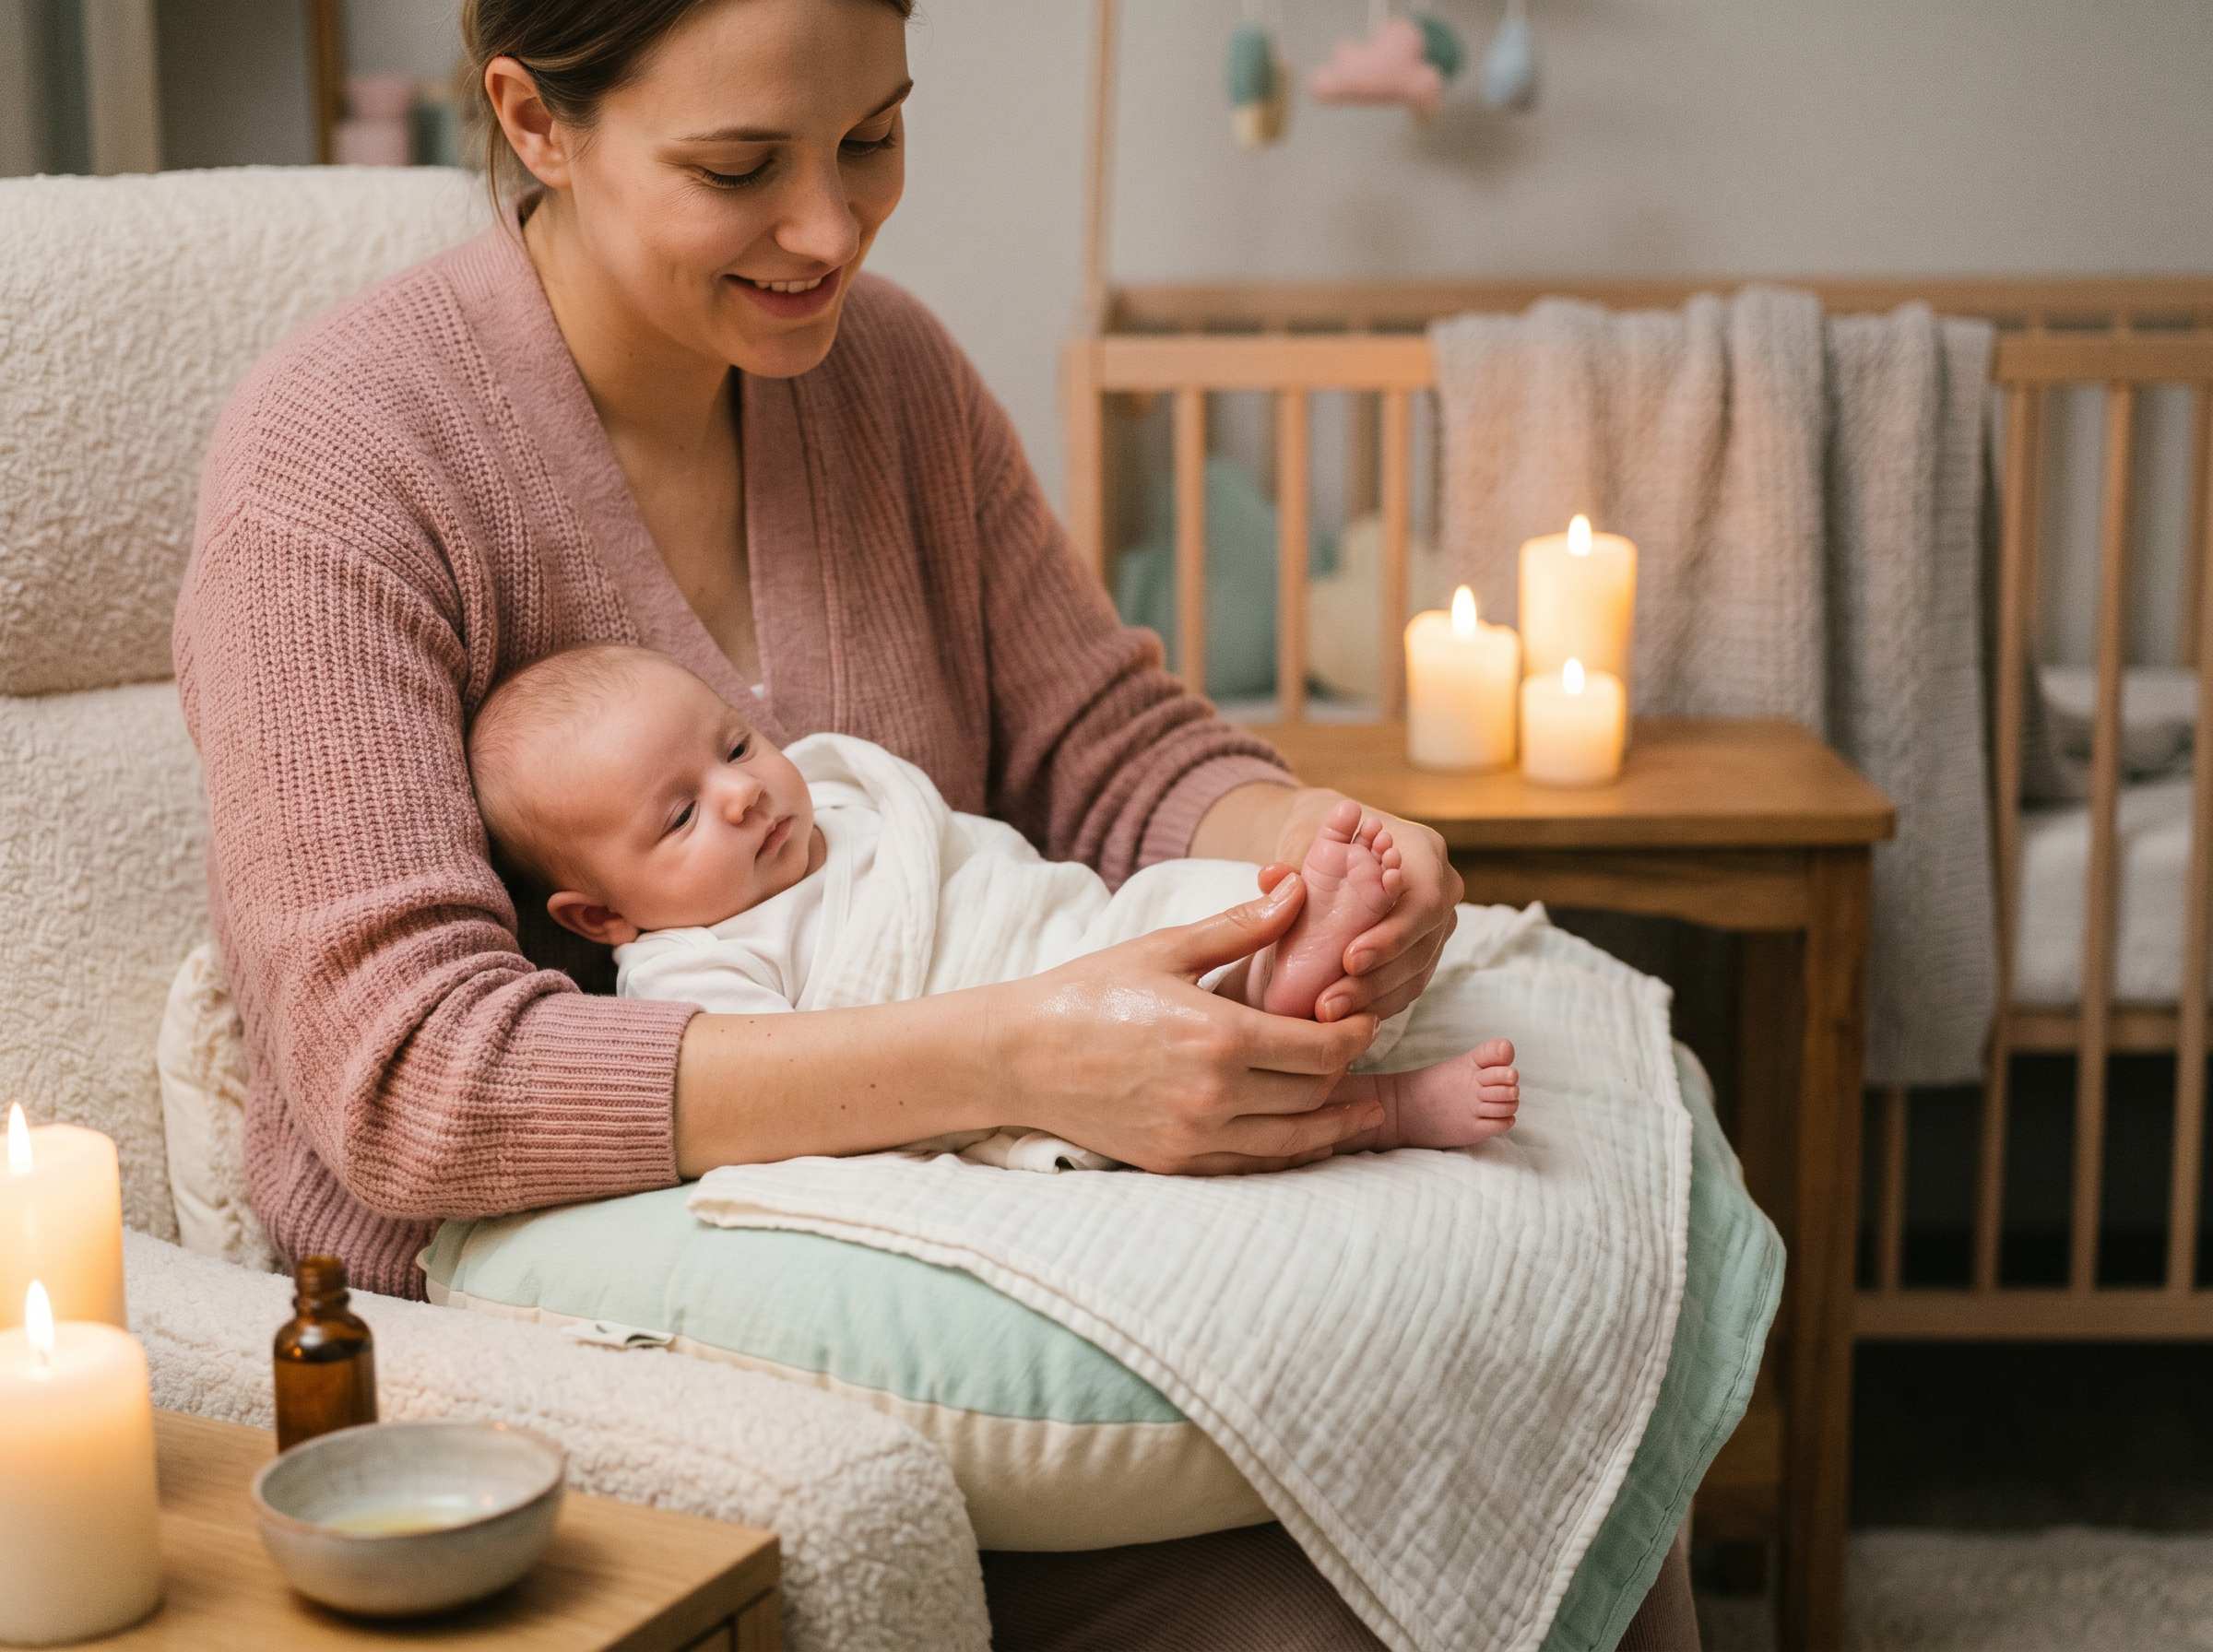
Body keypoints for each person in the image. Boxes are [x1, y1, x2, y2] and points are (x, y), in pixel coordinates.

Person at [172, 0, 1464, 1305]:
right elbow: (410, 1082)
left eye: (870, 136)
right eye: (737, 170)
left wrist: (1310, 843)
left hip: (956, 1203)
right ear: (534, 122)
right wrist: (1010, 1061)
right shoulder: (335, 471)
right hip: (495, 1326)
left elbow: (1102, 750)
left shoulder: (893, 376)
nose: (828, 232)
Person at [465, 643, 1522, 1160]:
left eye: (735, 744)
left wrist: (1293, 837)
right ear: (601, 920)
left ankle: (1314, 934)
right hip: (1004, 1029)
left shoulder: (838, 797)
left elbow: (1085, 777)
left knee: (1181, 903)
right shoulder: (689, 968)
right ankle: (1388, 1106)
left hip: (1075, 927)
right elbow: (780, 1096)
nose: (743, 793)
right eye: (682, 816)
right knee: (1177, 1082)